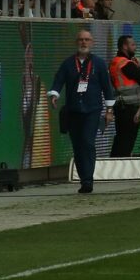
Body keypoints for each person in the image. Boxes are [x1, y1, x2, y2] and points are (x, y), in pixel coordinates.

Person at [48, 30, 117, 194]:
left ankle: (88, 179)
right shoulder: (68, 63)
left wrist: (109, 110)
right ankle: (83, 178)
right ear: (76, 42)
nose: (83, 43)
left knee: (88, 142)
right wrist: (54, 94)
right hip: (73, 110)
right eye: (80, 40)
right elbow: (59, 80)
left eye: (87, 40)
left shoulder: (99, 64)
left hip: (92, 110)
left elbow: (107, 88)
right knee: (78, 145)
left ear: (92, 43)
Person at [108, 34, 140, 157]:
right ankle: (120, 166)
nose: (135, 47)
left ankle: (113, 165)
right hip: (129, 108)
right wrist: (139, 67)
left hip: (121, 106)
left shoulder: (115, 62)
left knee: (120, 139)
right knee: (127, 141)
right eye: (133, 45)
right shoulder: (126, 64)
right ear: (125, 47)